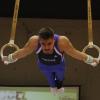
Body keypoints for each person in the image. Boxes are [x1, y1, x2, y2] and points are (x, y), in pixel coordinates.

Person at [1, 27, 99, 95]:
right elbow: (22, 52)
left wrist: (91, 60)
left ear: (54, 40)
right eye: (43, 44)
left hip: (59, 65)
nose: (46, 47)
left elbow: (76, 53)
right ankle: (53, 86)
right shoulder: (34, 41)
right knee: (50, 81)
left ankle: (59, 84)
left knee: (59, 78)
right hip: (43, 66)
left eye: (49, 43)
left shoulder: (62, 42)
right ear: (39, 41)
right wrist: (9, 58)